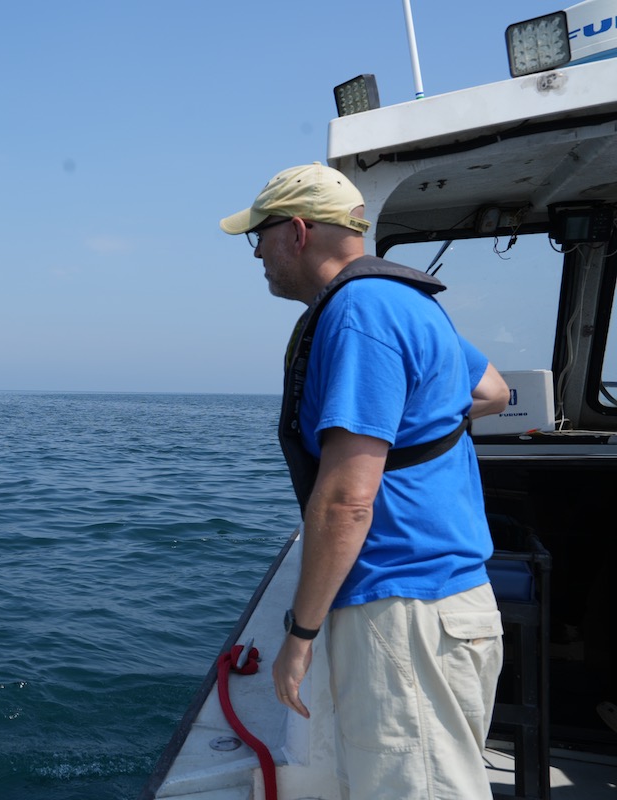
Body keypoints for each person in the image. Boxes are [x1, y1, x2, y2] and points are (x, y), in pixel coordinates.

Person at [219, 163, 511, 798]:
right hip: (443, 604)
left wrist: (299, 635)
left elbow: (348, 500)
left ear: (297, 232)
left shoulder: (357, 313)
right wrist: (417, 428)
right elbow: (492, 392)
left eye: (259, 238)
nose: (257, 255)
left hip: (403, 610)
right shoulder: (404, 300)